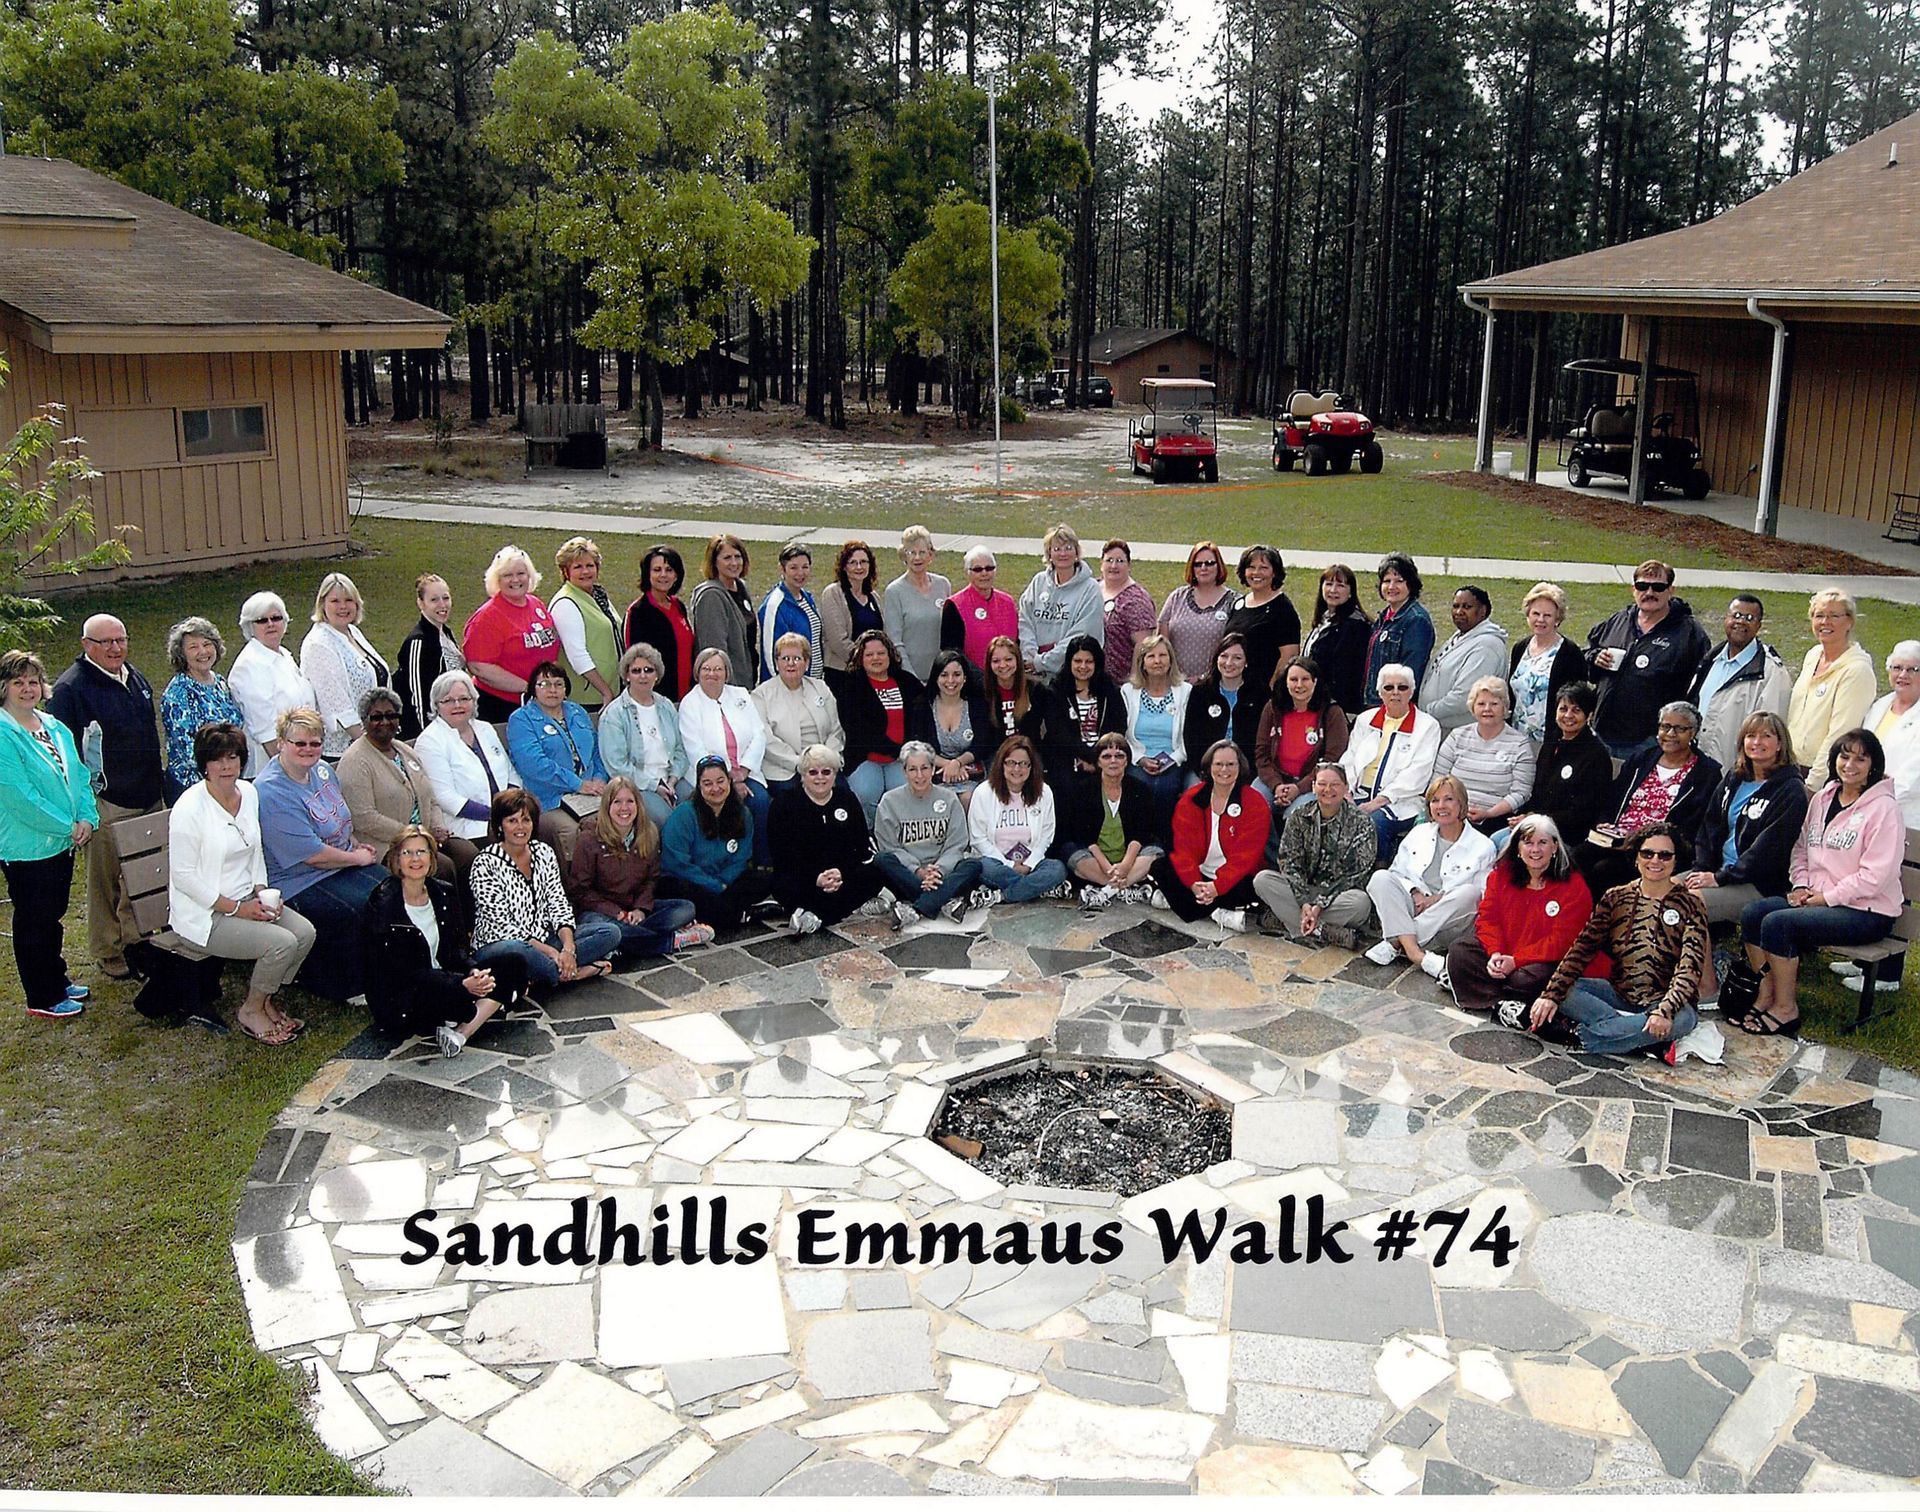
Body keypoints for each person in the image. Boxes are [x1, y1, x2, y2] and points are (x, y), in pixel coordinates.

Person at [1723, 730, 1905, 1037]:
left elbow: (1876, 876)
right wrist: (1800, 886)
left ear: (1873, 765)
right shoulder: (1823, 798)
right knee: (1753, 914)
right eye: (1844, 756)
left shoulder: (1884, 809)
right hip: (1815, 899)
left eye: (1861, 759)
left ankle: (1786, 1009)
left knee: (1779, 924)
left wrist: (1824, 898)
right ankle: (1766, 994)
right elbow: (1801, 849)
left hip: (1867, 911)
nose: (1850, 765)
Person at [168, 722, 316, 1043]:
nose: (226, 766)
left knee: (304, 933)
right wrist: (237, 908)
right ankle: (251, 1009)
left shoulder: (248, 793)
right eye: (217, 759)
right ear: (204, 764)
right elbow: (184, 877)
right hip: (205, 915)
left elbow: (255, 849)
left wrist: (262, 892)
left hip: (247, 898)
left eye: (233, 757)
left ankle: (265, 998)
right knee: (281, 943)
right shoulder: (189, 809)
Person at [48, 613, 166, 980]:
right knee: (106, 882)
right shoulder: (70, 690)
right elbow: (65, 755)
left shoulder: (134, 677)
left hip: (147, 794)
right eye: (106, 642)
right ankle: (108, 950)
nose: (116, 648)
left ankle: (136, 939)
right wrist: (84, 803)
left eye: (121, 640)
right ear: (86, 645)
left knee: (141, 876)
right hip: (108, 802)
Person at [1525, 821, 1707, 1058]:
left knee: (1682, 1020)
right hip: (1619, 993)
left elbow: (1689, 969)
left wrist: (1665, 1010)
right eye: (1647, 853)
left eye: (1664, 855)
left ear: (1675, 860)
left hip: (1668, 1001)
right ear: (1636, 857)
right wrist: (1551, 995)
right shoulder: (1616, 897)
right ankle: (1643, 1039)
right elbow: (1582, 949)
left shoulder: (1691, 905)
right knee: (1565, 991)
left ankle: (1578, 1036)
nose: (1655, 861)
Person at [255, 707, 387, 1000]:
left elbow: (340, 818)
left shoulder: (323, 771)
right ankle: (346, 984)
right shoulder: (271, 791)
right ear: (281, 743)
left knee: (391, 888)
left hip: (339, 862)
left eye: (315, 743)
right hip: (300, 879)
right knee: (356, 908)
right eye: (299, 743)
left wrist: (354, 844)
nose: (308, 749)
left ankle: (387, 966)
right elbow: (311, 855)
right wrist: (357, 859)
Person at [365, 826, 527, 1057]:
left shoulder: (442, 893)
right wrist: (460, 985)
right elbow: (403, 972)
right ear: (396, 860)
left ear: (432, 858)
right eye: (407, 853)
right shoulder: (383, 903)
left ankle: (459, 1034)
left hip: (445, 978)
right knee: (470, 996)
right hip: (408, 994)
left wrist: (472, 971)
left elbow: (456, 949)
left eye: (421, 852)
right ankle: (484, 1007)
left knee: (514, 963)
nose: (415, 859)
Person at [0, 649, 98, 1020]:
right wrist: (67, 826)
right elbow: (19, 797)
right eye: (17, 682)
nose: (27, 689)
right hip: (28, 846)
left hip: (61, 841)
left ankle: (57, 979)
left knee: (52, 915)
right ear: (3, 688)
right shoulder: (3, 734)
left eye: (33, 681)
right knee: (34, 921)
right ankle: (42, 996)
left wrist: (87, 816)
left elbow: (79, 774)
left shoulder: (52, 725)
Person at [469, 788, 621, 992]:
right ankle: (573, 973)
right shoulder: (484, 864)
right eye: (512, 821)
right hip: (502, 945)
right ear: (499, 825)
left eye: (526, 820)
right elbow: (503, 927)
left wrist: (568, 949)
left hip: (545, 938)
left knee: (611, 932)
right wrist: (552, 953)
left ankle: (548, 973)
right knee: (519, 951)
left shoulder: (543, 852)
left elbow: (558, 904)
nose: (520, 827)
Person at [1444, 815, 1594, 1016]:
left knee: (1525, 979)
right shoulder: (1500, 876)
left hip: (1544, 960)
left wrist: (1516, 961)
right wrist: (1495, 953)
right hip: (1505, 951)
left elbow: (1563, 942)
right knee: (1460, 951)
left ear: (1555, 847)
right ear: (1517, 847)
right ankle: (1502, 1004)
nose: (1535, 850)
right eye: (1528, 842)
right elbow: (1488, 919)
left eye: (1543, 843)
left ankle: (1489, 994)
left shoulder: (1574, 886)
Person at [1681, 711, 1808, 933]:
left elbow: (1767, 851)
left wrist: (1719, 878)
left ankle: (1697, 955)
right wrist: (1702, 868)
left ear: (1780, 744)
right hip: (1716, 871)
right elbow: (1709, 827)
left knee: (1683, 905)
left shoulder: (1790, 790)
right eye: (1751, 736)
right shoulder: (1735, 777)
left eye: (1766, 736)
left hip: (1755, 884)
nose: (1757, 742)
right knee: (1654, 892)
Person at [1360, 775, 1496, 976]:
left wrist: (1436, 900)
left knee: (1471, 894)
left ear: (1462, 804)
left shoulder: (1483, 846)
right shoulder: (1419, 833)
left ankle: (1398, 942)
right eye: (1435, 800)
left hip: (1447, 923)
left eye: (1449, 799)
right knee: (1380, 878)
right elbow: (1396, 872)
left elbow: (1483, 895)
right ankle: (1416, 953)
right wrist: (1414, 892)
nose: (1441, 806)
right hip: (1413, 908)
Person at [1579, 701, 1722, 892]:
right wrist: (1605, 823)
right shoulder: (1641, 760)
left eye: (1680, 728)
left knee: (1604, 870)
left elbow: (1694, 825)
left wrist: (1639, 840)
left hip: (1656, 851)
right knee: (1575, 858)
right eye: (1665, 726)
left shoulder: (1706, 773)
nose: (1670, 733)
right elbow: (1612, 798)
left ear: (1693, 733)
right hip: (1616, 839)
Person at [566, 776, 712, 959]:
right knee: (609, 930)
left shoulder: (648, 833)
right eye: (617, 802)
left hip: (633, 907)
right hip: (600, 912)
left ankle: (623, 945)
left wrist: (640, 909)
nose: (624, 808)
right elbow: (579, 891)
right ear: (607, 806)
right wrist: (616, 913)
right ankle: (670, 941)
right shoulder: (589, 839)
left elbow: (651, 879)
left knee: (685, 908)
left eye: (630, 801)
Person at [1585, 559, 1712, 762]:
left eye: (1658, 587)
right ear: (1633, 589)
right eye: (1642, 586)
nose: (1649, 592)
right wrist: (1595, 658)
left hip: (1650, 740)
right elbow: (1588, 653)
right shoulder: (1618, 621)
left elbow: (1700, 689)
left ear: (1671, 590)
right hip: (1602, 734)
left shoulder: (1689, 634)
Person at [339, 687, 470, 878]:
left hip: (425, 835)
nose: (385, 721)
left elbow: (430, 798)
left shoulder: (405, 751)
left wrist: (437, 828)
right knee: (443, 868)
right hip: (387, 844)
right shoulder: (355, 761)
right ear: (364, 721)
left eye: (391, 715)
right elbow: (364, 818)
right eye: (376, 717)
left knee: (468, 855)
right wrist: (414, 835)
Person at [1148, 739, 1270, 932]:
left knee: (1253, 887)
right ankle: (1217, 911)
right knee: (1161, 867)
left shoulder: (1255, 802)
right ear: (1209, 766)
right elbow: (1183, 848)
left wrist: (1217, 887)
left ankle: (1185, 904)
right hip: (1200, 875)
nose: (1224, 770)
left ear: (1240, 767)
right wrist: (1193, 883)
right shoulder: (1192, 798)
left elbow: (1246, 856)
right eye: (1218, 764)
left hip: (1234, 878)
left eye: (1231, 764)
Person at [767, 745, 892, 932]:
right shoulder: (784, 804)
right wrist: (816, 878)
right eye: (813, 772)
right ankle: (839, 909)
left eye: (826, 772)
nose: (820, 777)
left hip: (842, 876)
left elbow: (861, 847)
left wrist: (841, 873)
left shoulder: (847, 799)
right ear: (803, 775)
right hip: (804, 876)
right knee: (782, 884)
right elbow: (781, 854)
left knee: (873, 873)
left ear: (834, 774)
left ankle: (814, 916)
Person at [1252, 762, 1376, 944]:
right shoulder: (1299, 816)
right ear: (1313, 786)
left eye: (1335, 784)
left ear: (1346, 787)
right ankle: (1321, 930)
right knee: (1263, 880)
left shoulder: (1362, 823)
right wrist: (1304, 903)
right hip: (1303, 892)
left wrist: (1319, 905)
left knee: (1361, 903)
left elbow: (1354, 875)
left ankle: (1292, 922)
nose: (1328, 790)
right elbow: (1289, 863)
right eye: (1322, 784)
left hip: (1338, 896)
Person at [1339, 661, 1442, 862]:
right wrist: (1346, 793)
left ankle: (1377, 869)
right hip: (1357, 794)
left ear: (1411, 692)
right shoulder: (1365, 720)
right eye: (1388, 687)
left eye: (1402, 687)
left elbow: (1418, 774)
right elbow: (1349, 759)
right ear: (1380, 692)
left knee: (1372, 824)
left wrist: (1377, 802)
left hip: (1400, 800)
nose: (1395, 692)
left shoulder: (1427, 726)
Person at [505, 661, 608, 860]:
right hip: (551, 798)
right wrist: (577, 784)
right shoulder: (521, 719)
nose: (552, 690)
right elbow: (534, 764)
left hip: (591, 791)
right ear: (533, 689)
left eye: (558, 684)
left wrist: (599, 778)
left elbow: (597, 750)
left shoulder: (577, 712)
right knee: (571, 830)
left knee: (621, 815)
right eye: (544, 684)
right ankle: (574, 878)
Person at [873, 742, 984, 925]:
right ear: (904, 772)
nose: (919, 775)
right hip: (908, 874)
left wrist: (938, 870)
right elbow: (890, 846)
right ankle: (943, 900)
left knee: (973, 865)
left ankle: (917, 910)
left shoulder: (949, 798)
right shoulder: (889, 802)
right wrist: (918, 871)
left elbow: (957, 844)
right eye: (913, 769)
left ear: (933, 769)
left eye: (924, 768)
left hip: (943, 872)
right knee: (881, 859)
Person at [414, 670, 526, 851]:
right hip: (467, 825)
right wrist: (495, 815)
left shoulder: (485, 728)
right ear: (436, 705)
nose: (457, 705)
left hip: (506, 814)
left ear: (474, 701)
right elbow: (445, 797)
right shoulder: (430, 741)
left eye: (464, 699)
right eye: (448, 700)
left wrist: (511, 805)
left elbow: (510, 772)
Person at [678, 647, 772, 856]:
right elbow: (696, 750)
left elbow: (759, 734)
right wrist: (729, 780)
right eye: (706, 669)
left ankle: (761, 861)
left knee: (760, 801)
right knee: (725, 805)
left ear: (726, 673)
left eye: (718, 669)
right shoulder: (689, 704)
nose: (712, 674)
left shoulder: (741, 695)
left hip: (746, 771)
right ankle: (727, 859)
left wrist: (744, 770)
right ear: (697, 672)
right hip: (710, 777)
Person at [660, 756, 774, 927]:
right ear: (699, 786)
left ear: (729, 781)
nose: (715, 788)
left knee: (765, 879)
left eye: (720, 781)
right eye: (707, 783)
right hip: (692, 881)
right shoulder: (683, 815)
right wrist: (713, 885)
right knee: (678, 890)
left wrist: (723, 882)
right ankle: (737, 914)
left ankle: (726, 913)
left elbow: (741, 859)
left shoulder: (742, 813)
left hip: (724, 882)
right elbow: (677, 864)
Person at [1687, 593, 1792, 771]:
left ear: (1759, 625)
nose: (1741, 622)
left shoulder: (1771, 673)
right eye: (1736, 615)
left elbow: (1769, 735)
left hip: (1735, 773)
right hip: (1696, 768)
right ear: (1725, 619)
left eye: (1749, 618)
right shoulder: (1711, 660)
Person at [966, 734, 1073, 907]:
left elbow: (1046, 836)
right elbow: (978, 839)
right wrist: (1009, 865)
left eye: (1024, 763)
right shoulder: (983, 792)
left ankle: (1000, 896)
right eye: (1011, 763)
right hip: (996, 863)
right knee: (983, 867)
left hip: (1031, 864)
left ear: (1032, 766)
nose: (1017, 769)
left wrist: (1029, 864)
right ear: (1001, 764)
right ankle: (1039, 888)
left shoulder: (1044, 792)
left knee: (1057, 868)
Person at [1059, 733, 1162, 907]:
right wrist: (1109, 869)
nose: (1113, 761)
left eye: (1119, 756)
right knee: (1072, 854)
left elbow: (1140, 834)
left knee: (1155, 853)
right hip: (1096, 857)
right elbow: (1085, 837)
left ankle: (1106, 892)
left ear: (1127, 761)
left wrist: (1125, 866)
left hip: (1130, 856)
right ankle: (1124, 886)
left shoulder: (1140, 789)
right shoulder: (1084, 790)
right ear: (1098, 762)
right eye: (1106, 756)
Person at [1507, 683, 1613, 852]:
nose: (1568, 715)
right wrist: (1524, 816)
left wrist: (1535, 819)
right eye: (1563, 709)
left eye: (1576, 710)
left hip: (1567, 834)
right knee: (1497, 839)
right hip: (1535, 823)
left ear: (1589, 715)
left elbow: (1583, 813)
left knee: (1507, 846)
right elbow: (1537, 791)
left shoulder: (1596, 755)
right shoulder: (1552, 741)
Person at [1786, 588, 1877, 786]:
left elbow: (1841, 734)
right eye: (1819, 615)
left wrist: (1813, 784)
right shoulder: (1813, 656)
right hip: (1791, 767)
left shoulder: (1857, 671)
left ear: (1849, 621)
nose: (1825, 622)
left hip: (1822, 775)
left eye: (1834, 616)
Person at [836, 630, 927, 822]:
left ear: (890, 655)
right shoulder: (850, 686)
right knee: (865, 793)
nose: (876, 658)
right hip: (866, 757)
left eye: (881, 653)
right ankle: (870, 832)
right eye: (869, 654)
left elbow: (921, 717)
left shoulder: (907, 682)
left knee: (905, 793)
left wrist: (908, 750)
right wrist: (895, 749)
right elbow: (858, 730)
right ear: (860, 658)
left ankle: (896, 834)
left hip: (902, 758)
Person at [462, 545, 560, 723]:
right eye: (507, 575)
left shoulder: (536, 604)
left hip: (540, 701)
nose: (515, 580)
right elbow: (479, 666)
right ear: (496, 580)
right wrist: (529, 687)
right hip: (499, 707)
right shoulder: (487, 617)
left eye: (521, 573)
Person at [599, 644, 693, 826]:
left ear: (657, 675)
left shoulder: (666, 706)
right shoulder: (614, 714)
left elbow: (681, 750)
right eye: (636, 671)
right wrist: (655, 786)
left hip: (671, 778)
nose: (643, 675)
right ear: (627, 676)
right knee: (666, 819)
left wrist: (673, 779)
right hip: (637, 784)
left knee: (700, 808)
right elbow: (617, 766)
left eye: (649, 670)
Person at [300, 571, 390, 761]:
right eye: (335, 601)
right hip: (345, 751)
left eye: (348, 600)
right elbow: (337, 705)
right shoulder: (318, 644)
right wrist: (373, 747)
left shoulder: (353, 632)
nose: (343, 607)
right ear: (322, 604)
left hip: (376, 739)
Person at [1433, 677, 1537, 832]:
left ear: (1505, 707)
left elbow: (1521, 793)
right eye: (1481, 704)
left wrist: (1488, 813)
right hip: (1451, 815)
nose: (1487, 709)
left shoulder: (1520, 744)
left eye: (1494, 704)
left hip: (1496, 821)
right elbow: (1438, 780)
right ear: (1473, 707)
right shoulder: (1457, 736)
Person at [231, 591, 317, 772]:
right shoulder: (249, 665)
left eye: (276, 618)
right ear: (250, 626)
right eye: (262, 620)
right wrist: (291, 771)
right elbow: (266, 732)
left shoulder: (283, 654)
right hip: (272, 767)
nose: (270, 624)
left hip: (301, 756)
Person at [160, 616, 245, 796]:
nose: (202, 651)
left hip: (226, 779)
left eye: (207, 644)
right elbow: (187, 751)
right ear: (181, 654)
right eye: (193, 647)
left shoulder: (220, 683)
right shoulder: (178, 693)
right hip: (194, 787)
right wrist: (222, 771)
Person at [1255, 654, 1350, 811]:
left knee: (1297, 816)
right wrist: (1276, 785)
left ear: (1315, 681)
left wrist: (1299, 788)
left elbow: (1332, 759)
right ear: (1286, 682)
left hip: (1313, 784)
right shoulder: (1273, 708)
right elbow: (1262, 754)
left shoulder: (1331, 712)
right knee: (1254, 806)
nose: (1299, 685)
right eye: (1293, 680)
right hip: (1275, 778)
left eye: (1305, 679)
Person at [753, 631, 846, 790]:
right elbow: (766, 740)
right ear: (776, 663)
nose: (791, 663)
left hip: (824, 765)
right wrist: (801, 763)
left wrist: (827, 759)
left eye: (797, 658)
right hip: (784, 769)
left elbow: (836, 730)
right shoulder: (761, 695)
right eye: (785, 658)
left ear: (807, 663)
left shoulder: (820, 687)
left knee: (844, 795)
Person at [1121, 632, 1192, 830]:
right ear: (1142, 663)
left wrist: (1172, 759)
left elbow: (1189, 735)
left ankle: (1162, 840)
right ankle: (1138, 838)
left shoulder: (1185, 691)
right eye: (1151, 656)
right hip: (1137, 758)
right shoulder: (1128, 691)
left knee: (1165, 789)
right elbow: (1123, 734)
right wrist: (1140, 759)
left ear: (1171, 660)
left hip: (1173, 758)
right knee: (1138, 787)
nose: (1157, 661)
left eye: (1162, 655)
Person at [1041, 633, 1126, 790]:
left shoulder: (1110, 690)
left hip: (1105, 756)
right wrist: (1090, 756)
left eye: (1089, 661)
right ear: (1069, 662)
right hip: (1067, 758)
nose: (1083, 666)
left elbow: (1118, 726)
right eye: (1078, 661)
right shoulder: (1055, 691)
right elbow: (1058, 733)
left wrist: (1099, 759)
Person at [1183, 633, 1268, 789]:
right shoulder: (1201, 692)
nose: (1229, 663)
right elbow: (1191, 737)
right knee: (1195, 793)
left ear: (1246, 662)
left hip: (1246, 771)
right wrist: (1205, 770)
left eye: (1237, 658)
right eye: (1224, 656)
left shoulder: (1260, 694)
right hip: (1205, 769)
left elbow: (1262, 741)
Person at [551, 535, 626, 711]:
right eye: (578, 567)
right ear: (565, 572)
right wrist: (605, 692)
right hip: (588, 697)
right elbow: (577, 655)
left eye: (590, 565)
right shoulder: (566, 603)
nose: (585, 572)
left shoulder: (598, 596)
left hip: (612, 689)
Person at [1419, 586, 1508, 732]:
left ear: (1482, 611)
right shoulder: (1461, 636)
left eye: (1467, 607)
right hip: (1439, 727)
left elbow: (1465, 695)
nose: (1459, 612)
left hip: (1462, 732)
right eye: (1456, 606)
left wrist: (1428, 712)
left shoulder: (1486, 646)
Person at [1507, 583, 1586, 745]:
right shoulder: (1520, 648)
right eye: (1536, 613)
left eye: (1547, 615)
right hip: (1516, 738)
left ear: (1557, 619)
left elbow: (1578, 700)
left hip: (1551, 741)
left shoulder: (1570, 653)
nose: (1540, 620)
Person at [394, 574, 466, 741]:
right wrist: (427, 740)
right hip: (428, 734)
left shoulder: (445, 632)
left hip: (450, 725)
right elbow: (417, 699)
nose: (442, 605)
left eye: (445, 598)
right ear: (421, 603)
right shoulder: (418, 642)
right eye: (434, 600)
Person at [1222, 544, 1300, 693]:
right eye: (1251, 567)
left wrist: (1271, 691)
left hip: (1263, 692)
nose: (1256, 573)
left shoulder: (1283, 609)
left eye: (1263, 568)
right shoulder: (1238, 604)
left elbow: (1289, 655)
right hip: (1236, 688)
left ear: (1274, 572)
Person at [623, 544, 695, 702]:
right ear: (647, 574)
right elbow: (634, 661)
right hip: (656, 699)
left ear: (676, 575)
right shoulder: (638, 612)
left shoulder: (678, 606)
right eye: (657, 570)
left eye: (669, 570)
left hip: (685, 697)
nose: (663, 575)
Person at [922, 649, 995, 801]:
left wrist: (958, 762)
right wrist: (949, 765)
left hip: (970, 772)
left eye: (956, 674)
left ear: (965, 678)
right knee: (943, 800)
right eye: (944, 675)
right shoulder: (923, 706)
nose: (951, 680)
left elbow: (981, 745)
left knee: (969, 798)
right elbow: (921, 746)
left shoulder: (977, 706)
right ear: (936, 678)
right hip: (935, 773)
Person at [1362, 553, 1435, 706]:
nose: (1391, 587)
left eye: (1399, 581)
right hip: (1374, 701)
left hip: (1394, 705)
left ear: (1411, 584)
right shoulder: (1385, 617)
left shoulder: (1416, 620)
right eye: (1387, 581)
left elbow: (1409, 674)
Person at [881, 526, 952, 682]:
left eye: (922, 552)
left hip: (943, 677)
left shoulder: (943, 585)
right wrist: (912, 679)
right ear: (904, 556)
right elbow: (894, 642)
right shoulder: (894, 591)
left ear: (930, 555)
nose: (917, 558)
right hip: (910, 678)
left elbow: (951, 632)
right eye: (911, 553)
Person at [688, 533, 758, 690]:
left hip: (746, 681)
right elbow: (714, 652)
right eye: (727, 558)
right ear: (714, 562)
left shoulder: (740, 587)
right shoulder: (711, 597)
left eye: (738, 557)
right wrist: (727, 690)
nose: (734, 563)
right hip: (725, 687)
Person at [1157, 541, 1235, 682]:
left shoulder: (1233, 602)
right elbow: (1162, 641)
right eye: (1197, 564)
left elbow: (1236, 648)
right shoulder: (1177, 597)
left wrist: (1205, 678)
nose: (1203, 568)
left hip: (1215, 682)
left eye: (1209, 563)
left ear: (1219, 565)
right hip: (1176, 683)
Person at [1301, 564, 1373, 714]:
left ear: (1351, 592)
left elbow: (1345, 676)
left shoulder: (1355, 627)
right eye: (1328, 584)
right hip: (1316, 703)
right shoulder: (1325, 619)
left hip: (1338, 709)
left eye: (1340, 585)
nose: (1333, 590)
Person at [1865, 640, 1920, 826]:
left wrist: (1875, 799)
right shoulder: (1879, 706)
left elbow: (1913, 777)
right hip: (1868, 807)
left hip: (1906, 817)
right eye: (1897, 668)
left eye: (1912, 670)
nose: (1903, 675)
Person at [942, 544, 1022, 672]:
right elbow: (952, 654)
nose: (984, 573)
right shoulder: (954, 605)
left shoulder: (1008, 602)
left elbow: (1017, 643)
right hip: (974, 679)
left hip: (1008, 676)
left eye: (989, 568)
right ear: (967, 573)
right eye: (978, 569)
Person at [818, 539, 888, 675]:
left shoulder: (874, 597)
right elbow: (838, 641)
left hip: (872, 671)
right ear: (844, 567)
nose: (859, 567)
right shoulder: (833, 593)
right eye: (853, 563)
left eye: (863, 562)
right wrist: (866, 660)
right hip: (842, 672)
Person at [757, 543, 823, 681]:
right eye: (794, 568)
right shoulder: (775, 605)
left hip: (811, 682)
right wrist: (786, 687)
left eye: (805, 567)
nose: (800, 573)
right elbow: (771, 655)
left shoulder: (806, 597)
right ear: (782, 569)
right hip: (789, 686)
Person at [1098, 540, 1158, 685]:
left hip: (1120, 683)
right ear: (1101, 564)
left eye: (1120, 561)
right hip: (1089, 677)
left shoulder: (1137, 600)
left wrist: (1134, 683)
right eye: (1109, 560)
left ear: (1129, 566)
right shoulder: (1092, 588)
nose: (1113, 566)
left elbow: (1143, 645)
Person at [982, 634, 1046, 745]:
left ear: (1018, 660)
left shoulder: (1035, 689)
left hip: (1030, 751)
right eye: (996, 661)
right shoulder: (983, 691)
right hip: (996, 753)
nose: (1002, 665)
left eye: (1008, 659)